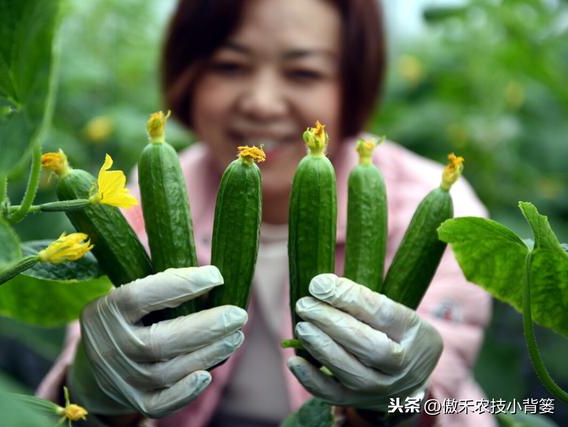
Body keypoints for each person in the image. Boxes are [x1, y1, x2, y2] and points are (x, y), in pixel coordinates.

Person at [37, 0, 495, 426]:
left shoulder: (426, 203)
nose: (261, 102)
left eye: (303, 72)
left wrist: (404, 402)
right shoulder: (146, 195)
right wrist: (91, 391)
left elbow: (444, 391)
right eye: (230, 65)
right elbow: (93, 389)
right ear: (189, 74)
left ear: (352, 85)